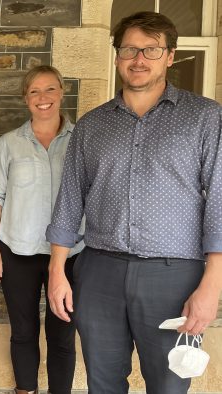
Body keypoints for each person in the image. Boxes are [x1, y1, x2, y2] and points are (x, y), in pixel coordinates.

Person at [46, 11, 222, 393]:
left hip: (175, 275)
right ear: (117, 57)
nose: (138, 59)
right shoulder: (92, 126)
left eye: (151, 50)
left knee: (169, 385)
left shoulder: (205, 118)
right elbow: (70, 200)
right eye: (129, 49)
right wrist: (57, 270)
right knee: (103, 383)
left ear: (170, 56)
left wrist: (213, 284)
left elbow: (220, 203)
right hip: (99, 273)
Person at [0, 65, 83, 394]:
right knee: (23, 331)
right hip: (18, 252)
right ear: (25, 99)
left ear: (62, 92)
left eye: (50, 89)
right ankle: (25, 390)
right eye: (35, 91)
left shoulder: (81, 139)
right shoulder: (10, 143)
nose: (43, 98)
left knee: (63, 334)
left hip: (69, 254)